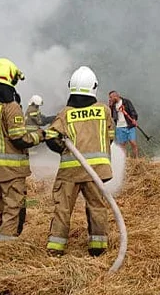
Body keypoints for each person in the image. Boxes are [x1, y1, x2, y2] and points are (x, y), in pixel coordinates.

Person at [0, 58, 50, 246]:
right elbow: (19, 138)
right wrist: (42, 135)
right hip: (12, 171)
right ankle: (6, 247)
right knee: (13, 207)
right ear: (9, 81)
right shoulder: (11, 107)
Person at [46, 67, 114, 257]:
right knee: (97, 207)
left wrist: (62, 148)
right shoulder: (104, 110)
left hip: (70, 172)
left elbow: (51, 137)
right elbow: (110, 137)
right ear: (94, 87)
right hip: (96, 171)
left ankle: (56, 248)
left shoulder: (65, 113)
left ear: (71, 88)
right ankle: (98, 247)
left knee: (63, 209)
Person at [107, 90, 141, 158]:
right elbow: (111, 116)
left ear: (115, 96)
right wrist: (110, 106)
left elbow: (132, 111)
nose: (110, 99)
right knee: (122, 145)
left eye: (111, 97)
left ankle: (137, 159)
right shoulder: (113, 105)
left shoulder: (126, 102)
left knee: (133, 143)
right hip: (119, 127)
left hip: (129, 126)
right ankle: (124, 160)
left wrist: (134, 119)